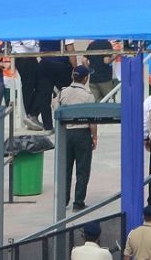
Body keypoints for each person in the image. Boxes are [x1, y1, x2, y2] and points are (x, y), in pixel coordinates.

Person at [58, 64, 98, 211]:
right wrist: (94, 137)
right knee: (82, 169)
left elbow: (56, 110)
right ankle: (78, 202)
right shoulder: (88, 96)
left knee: (65, 168)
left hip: (66, 133)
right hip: (82, 134)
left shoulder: (63, 92)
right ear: (86, 78)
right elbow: (92, 119)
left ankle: (62, 200)